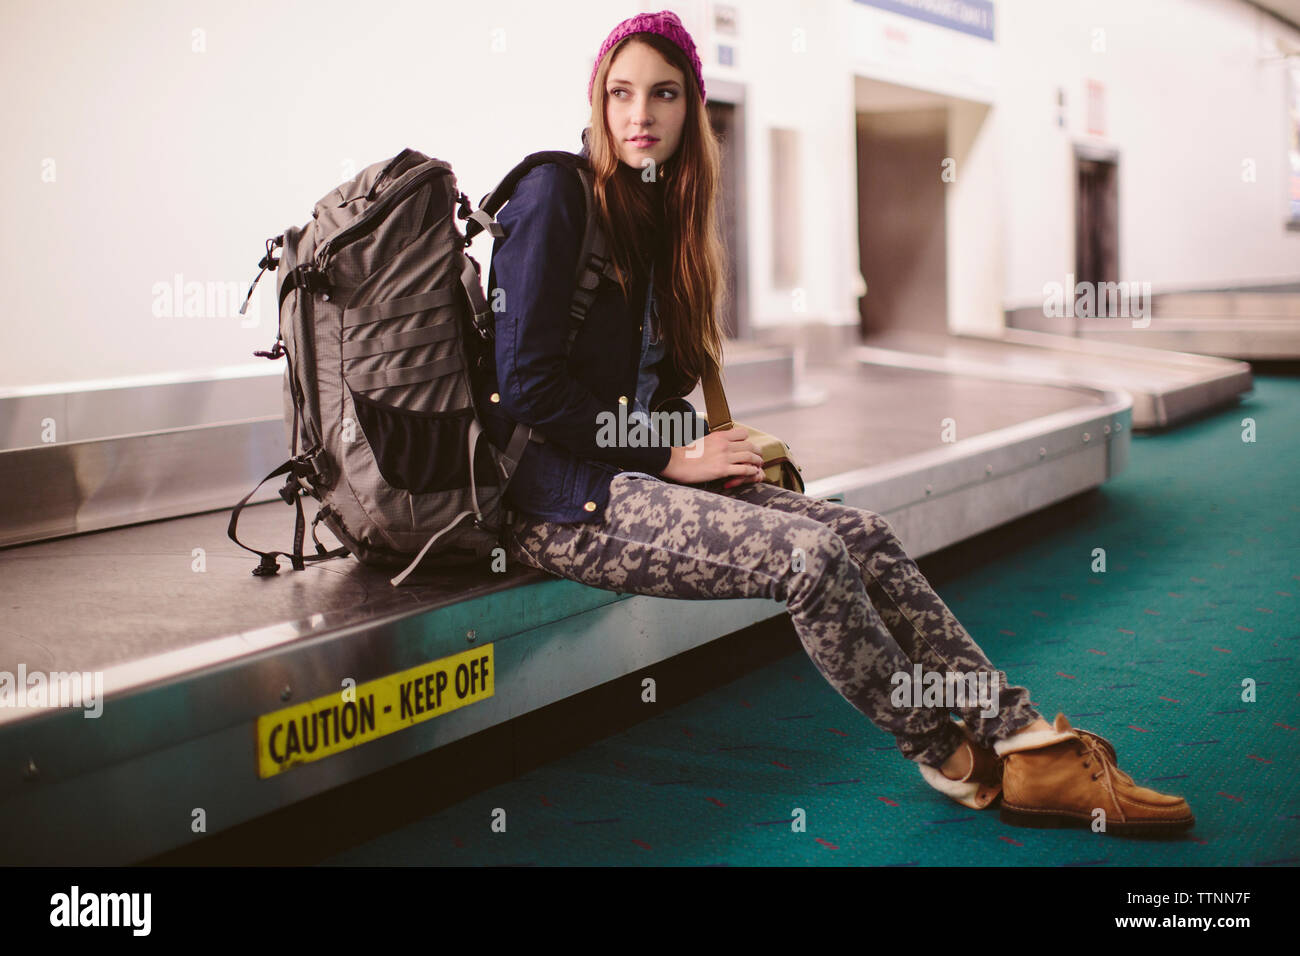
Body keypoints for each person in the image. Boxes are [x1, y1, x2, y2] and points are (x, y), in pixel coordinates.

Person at [476, 10, 1194, 836]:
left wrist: (712, 450)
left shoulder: (660, 219)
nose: (641, 114)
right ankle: (941, 750)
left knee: (866, 535)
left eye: (664, 94)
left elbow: (635, 387)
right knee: (811, 558)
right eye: (621, 92)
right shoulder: (555, 193)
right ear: (597, 102)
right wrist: (674, 456)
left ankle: (1023, 739)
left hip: (627, 477)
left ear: (691, 111)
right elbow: (526, 386)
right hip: (560, 502)